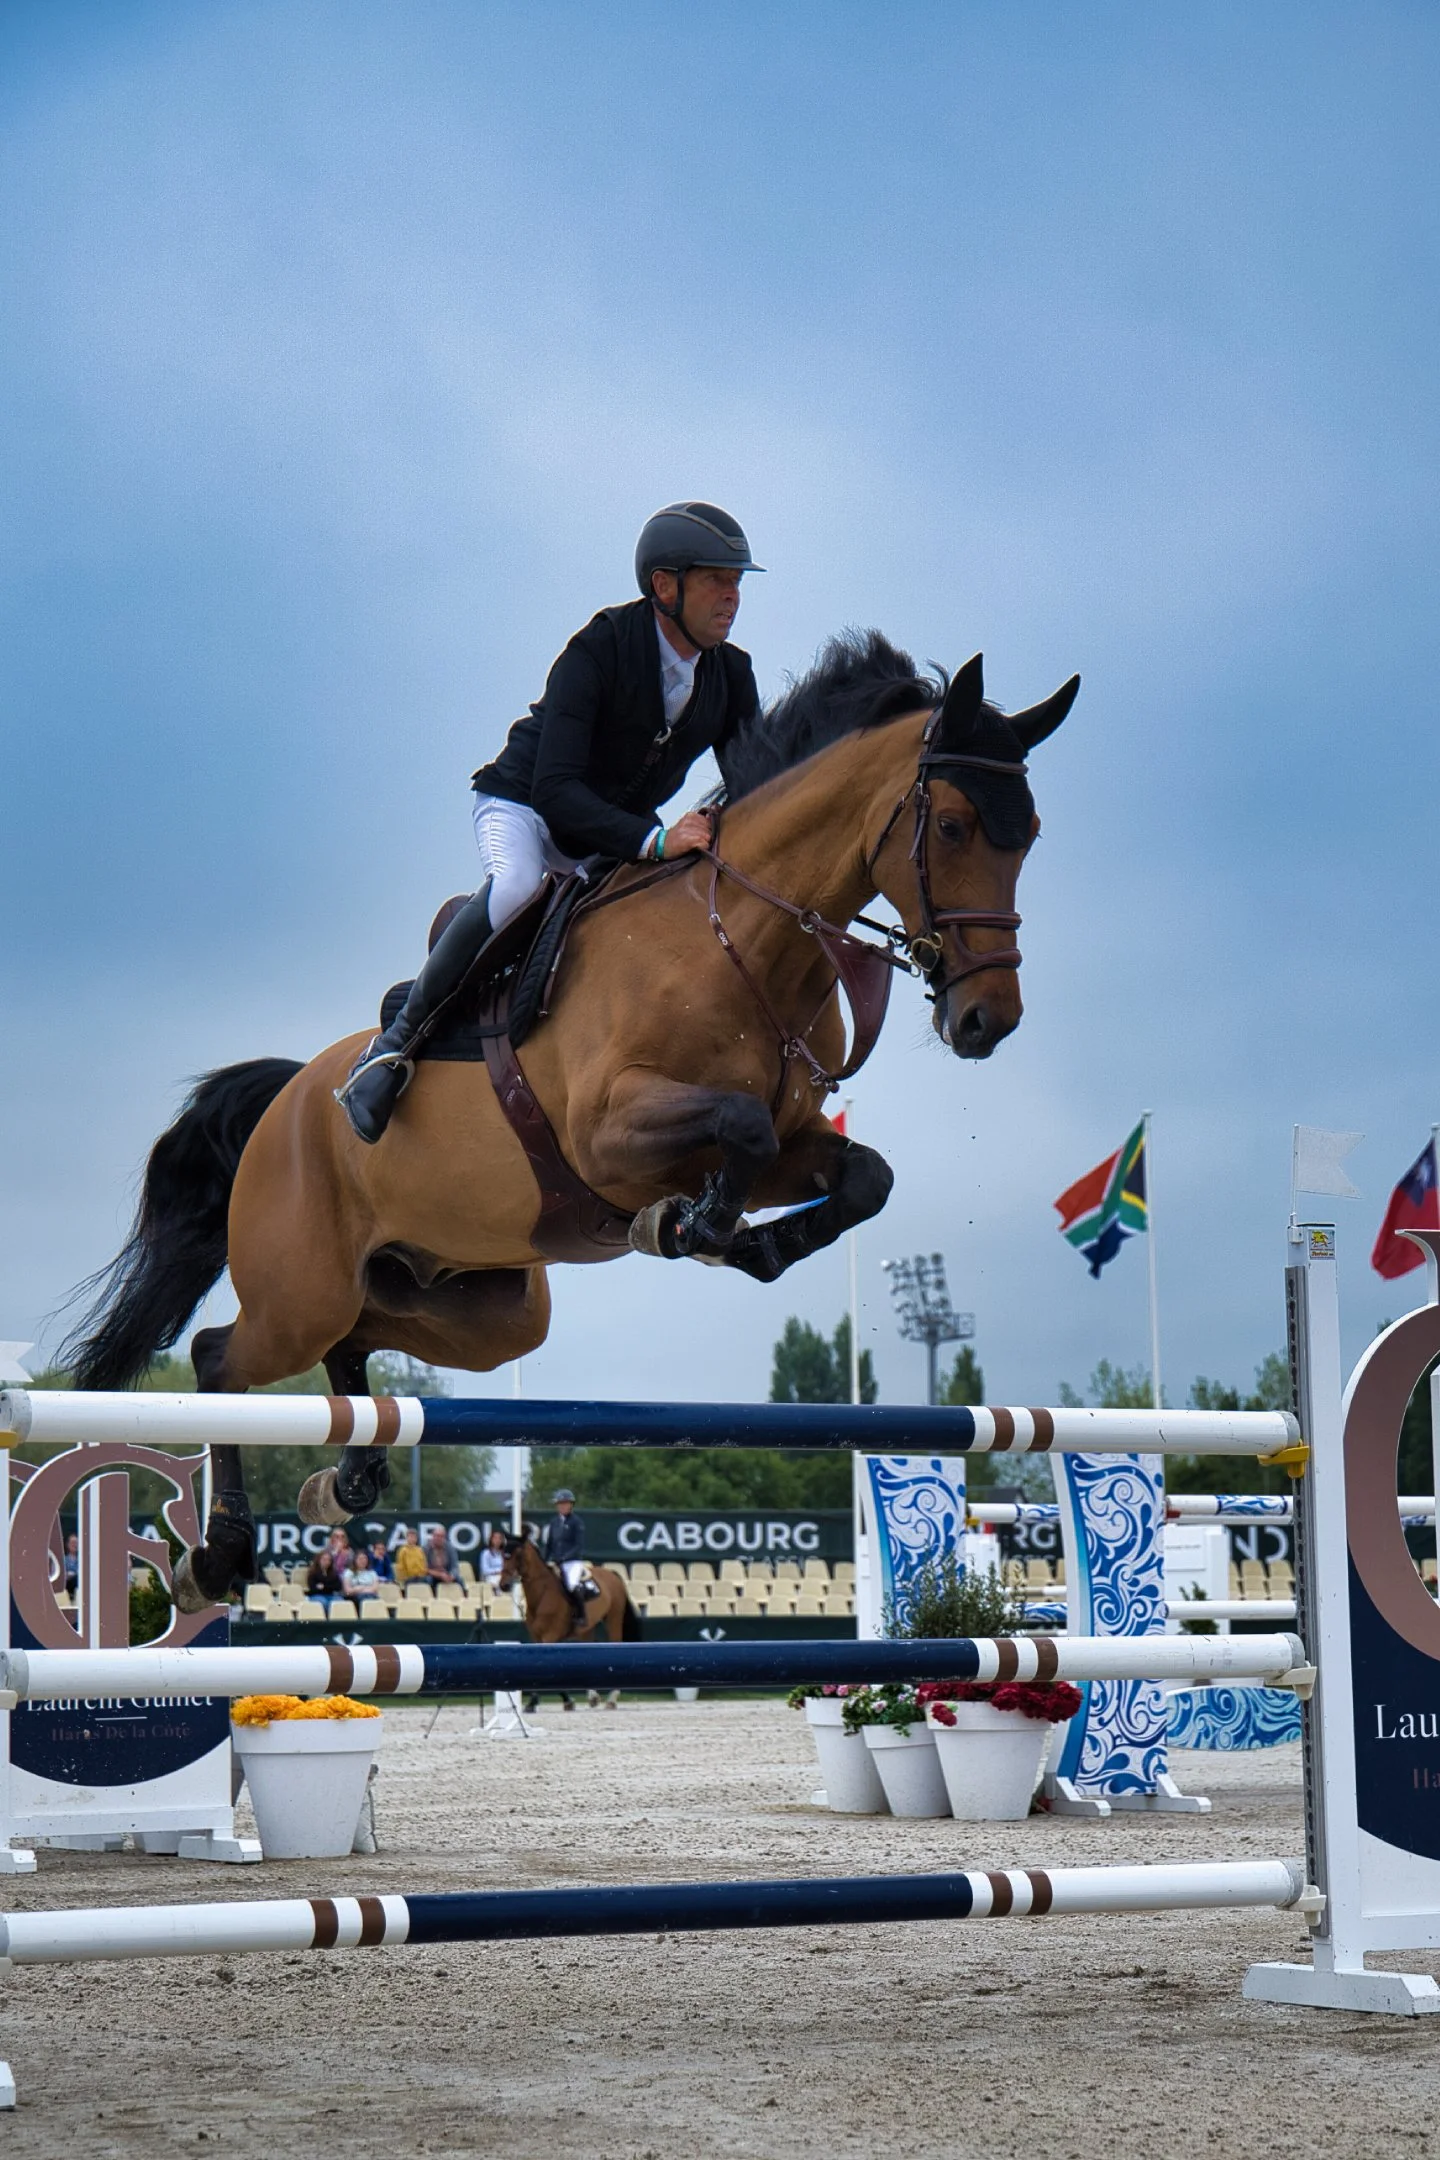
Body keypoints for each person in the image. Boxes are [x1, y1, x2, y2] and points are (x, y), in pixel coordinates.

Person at [337, 502, 765, 1143]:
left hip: (610, 831)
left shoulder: (731, 674)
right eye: (715, 579)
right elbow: (557, 791)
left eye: (737, 582)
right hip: (527, 807)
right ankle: (392, 1051)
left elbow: (755, 784)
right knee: (517, 888)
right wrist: (654, 839)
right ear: (664, 585)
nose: (731, 597)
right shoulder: (598, 648)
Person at [539, 1487, 598, 1633]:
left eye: (565, 1503)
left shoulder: (576, 1522)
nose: (563, 1506)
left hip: (572, 1561)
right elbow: (550, 1544)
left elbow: (579, 1546)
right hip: (557, 1561)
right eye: (560, 1504)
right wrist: (544, 1561)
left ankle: (581, 1615)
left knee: (571, 1585)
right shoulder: (554, 1522)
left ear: (571, 1505)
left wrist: (564, 1558)